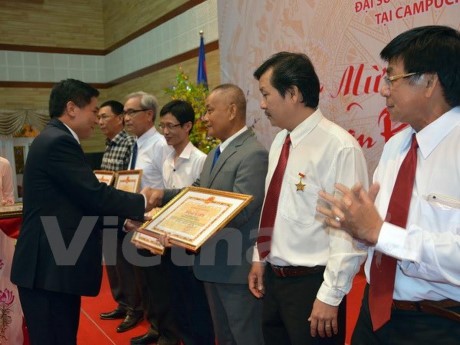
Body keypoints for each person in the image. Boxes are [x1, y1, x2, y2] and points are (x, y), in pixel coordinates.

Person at [317, 25, 460, 345]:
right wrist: (358, 227)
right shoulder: (397, 146)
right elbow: (379, 230)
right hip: (376, 311)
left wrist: (380, 233)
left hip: (438, 323)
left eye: (391, 78)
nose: (383, 90)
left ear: (429, 82)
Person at [10, 79, 156, 345]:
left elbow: (76, 202)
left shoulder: (55, 137)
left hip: (52, 268)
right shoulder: (59, 142)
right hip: (48, 271)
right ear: (71, 108)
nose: (96, 119)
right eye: (93, 110)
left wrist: (124, 222)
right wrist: (142, 202)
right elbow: (93, 194)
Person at [248, 52, 368, 345]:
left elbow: (349, 233)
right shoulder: (280, 141)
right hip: (274, 281)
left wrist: (330, 295)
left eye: (266, 94)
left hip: (312, 285)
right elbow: (273, 206)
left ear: (293, 93)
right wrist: (259, 258)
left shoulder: (340, 147)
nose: (262, 104)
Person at [148, 84, 268, 345]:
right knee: (224, 337)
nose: (204, 117)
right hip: (212, 264)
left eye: (210, 110)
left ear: (232, 110)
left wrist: (186, 230)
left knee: (244, 336)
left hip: (235, 267)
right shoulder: (216, 151)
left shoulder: (253, 153)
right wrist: (162, 196)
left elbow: (242, 211)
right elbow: (198, 192)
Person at [123, 91, 178, 345]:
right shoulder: (136, 144)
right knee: (146, 283)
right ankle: (155, 327)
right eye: (124, 112)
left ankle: (167, 332)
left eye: (130, 112)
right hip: (138, 223)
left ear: (148, 114)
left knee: (160, 284)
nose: (125, 118)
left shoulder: (159, 145)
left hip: (156, 225)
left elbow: (167, 185)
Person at [158, 99, 215, 345]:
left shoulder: (201, 160)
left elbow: (203, 205)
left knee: (196, 307)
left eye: (171, 126)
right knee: (176, 303)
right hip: (168, 243)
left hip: (192, 248)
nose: (166, 132)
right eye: (163, 126)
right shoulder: (166, 161)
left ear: (188, 126)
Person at [96, 100, 143, 333]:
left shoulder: (128, 143)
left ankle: (134, 308)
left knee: (125, 263)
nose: (100, 121)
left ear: (119, 118)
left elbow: (129, 180)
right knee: (113, 263)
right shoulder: (109, 144)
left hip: (121, 212)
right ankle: (122, 303)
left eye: (105, 117)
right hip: (106, 210)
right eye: (99, 117)